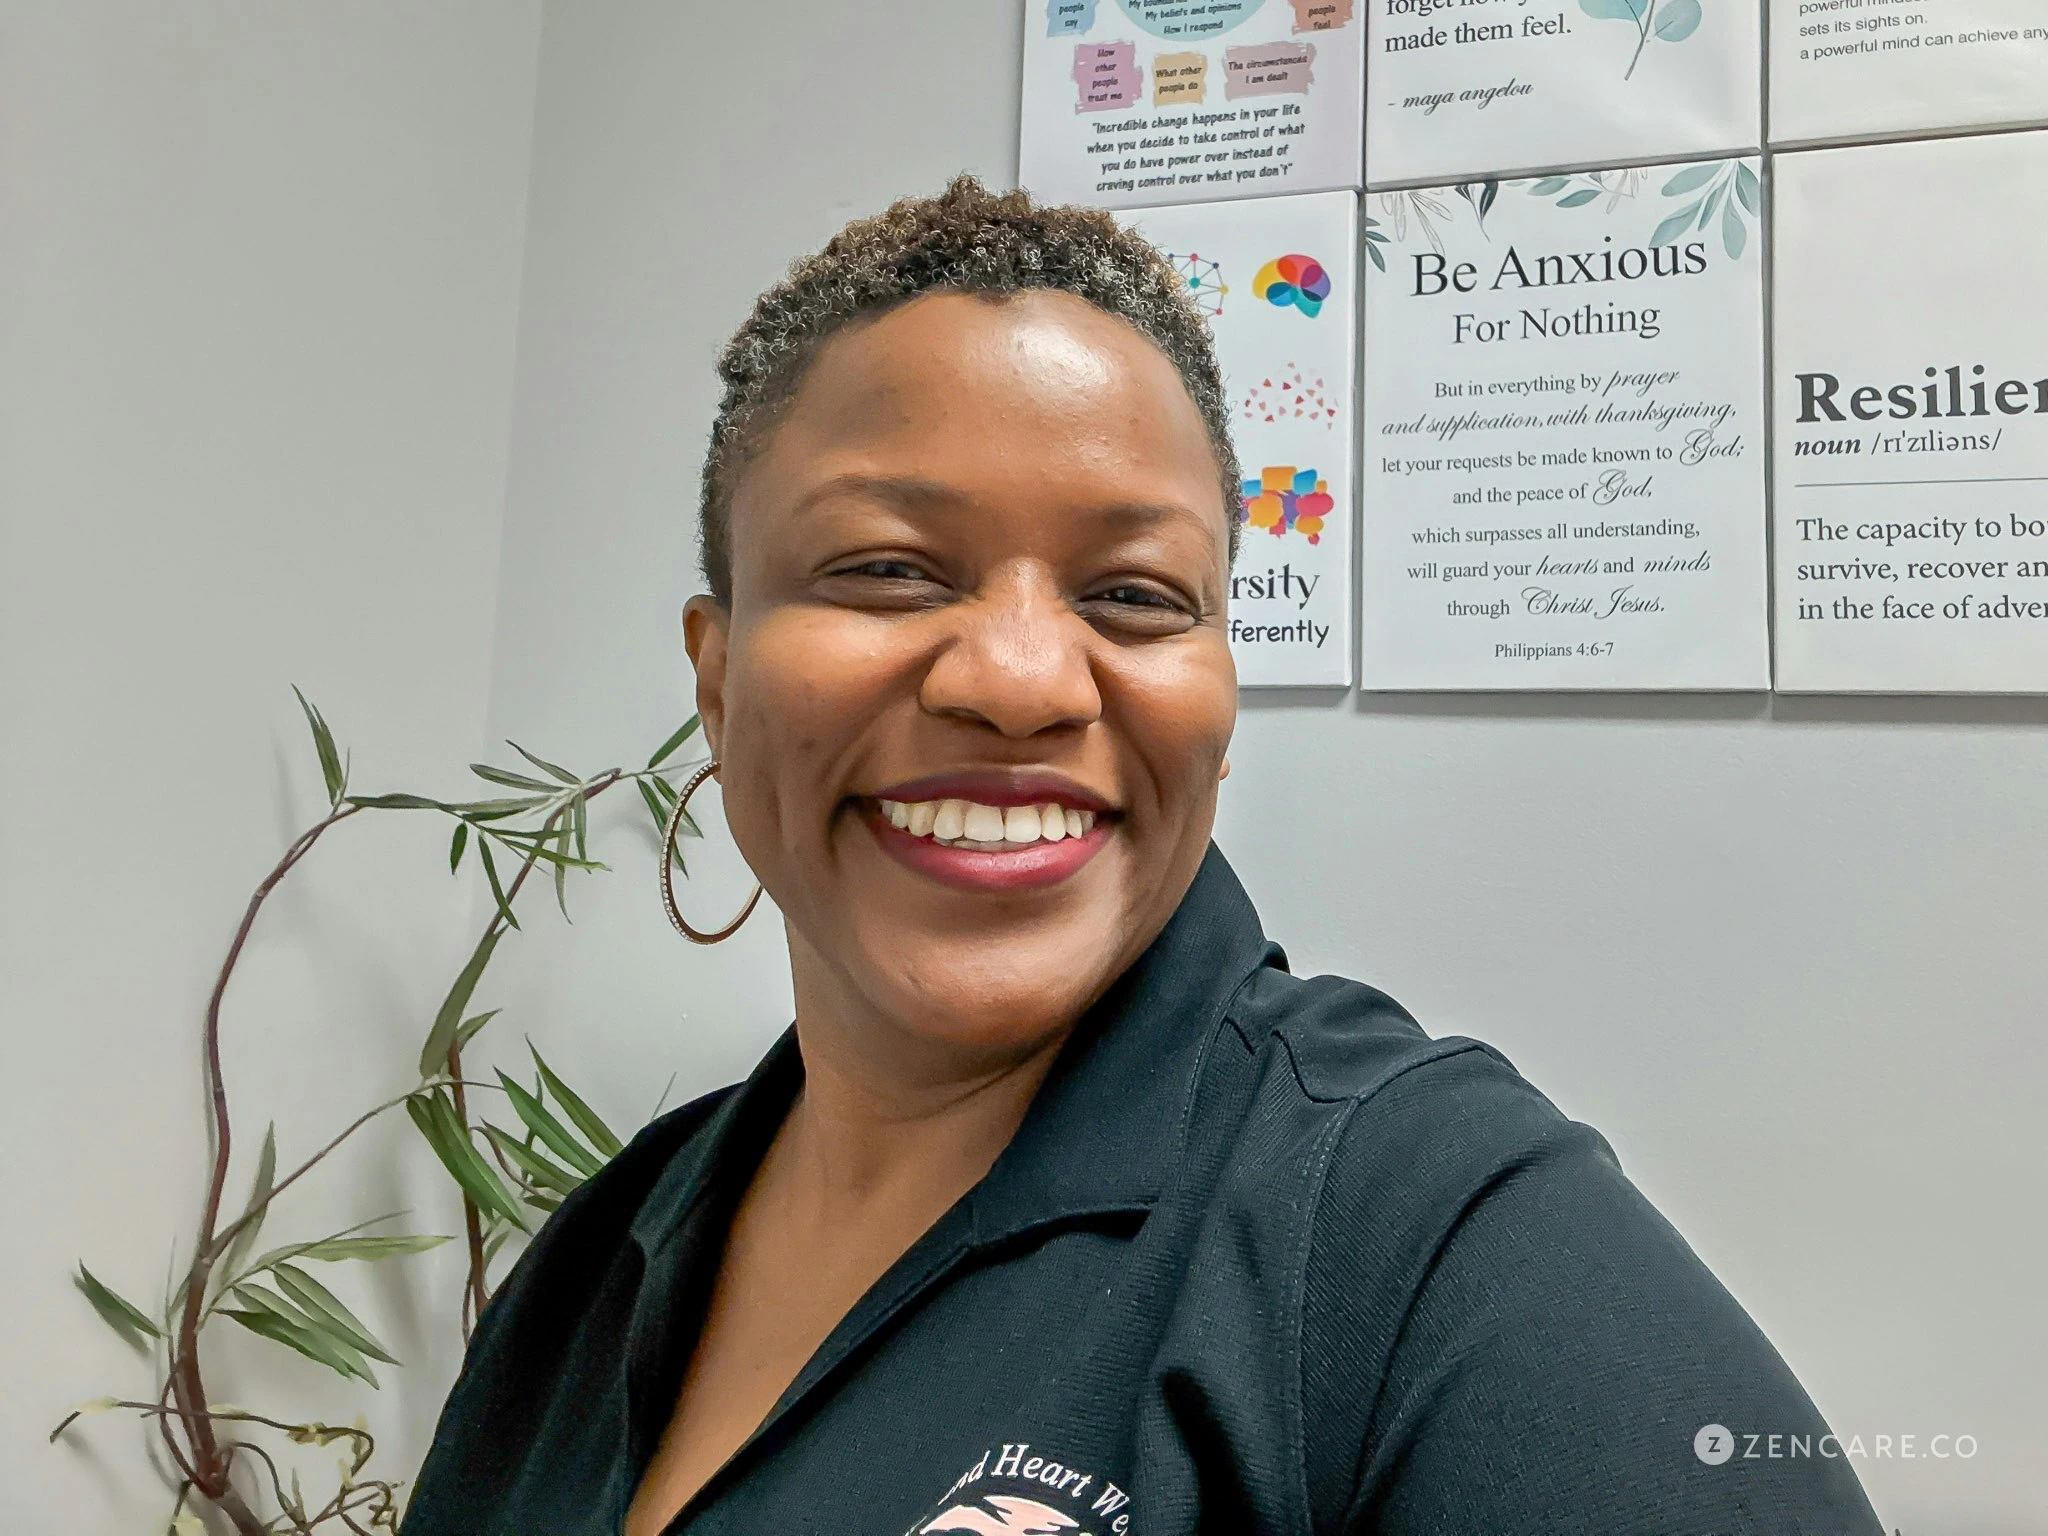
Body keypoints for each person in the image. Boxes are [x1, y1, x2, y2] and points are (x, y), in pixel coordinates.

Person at [404, 176, 1882, 1536]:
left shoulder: (1422, 1231)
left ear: (1222, 702)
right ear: (717, 683)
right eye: (887, 569)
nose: (1026, 679)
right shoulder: (595, 1263)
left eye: (1133, 594)